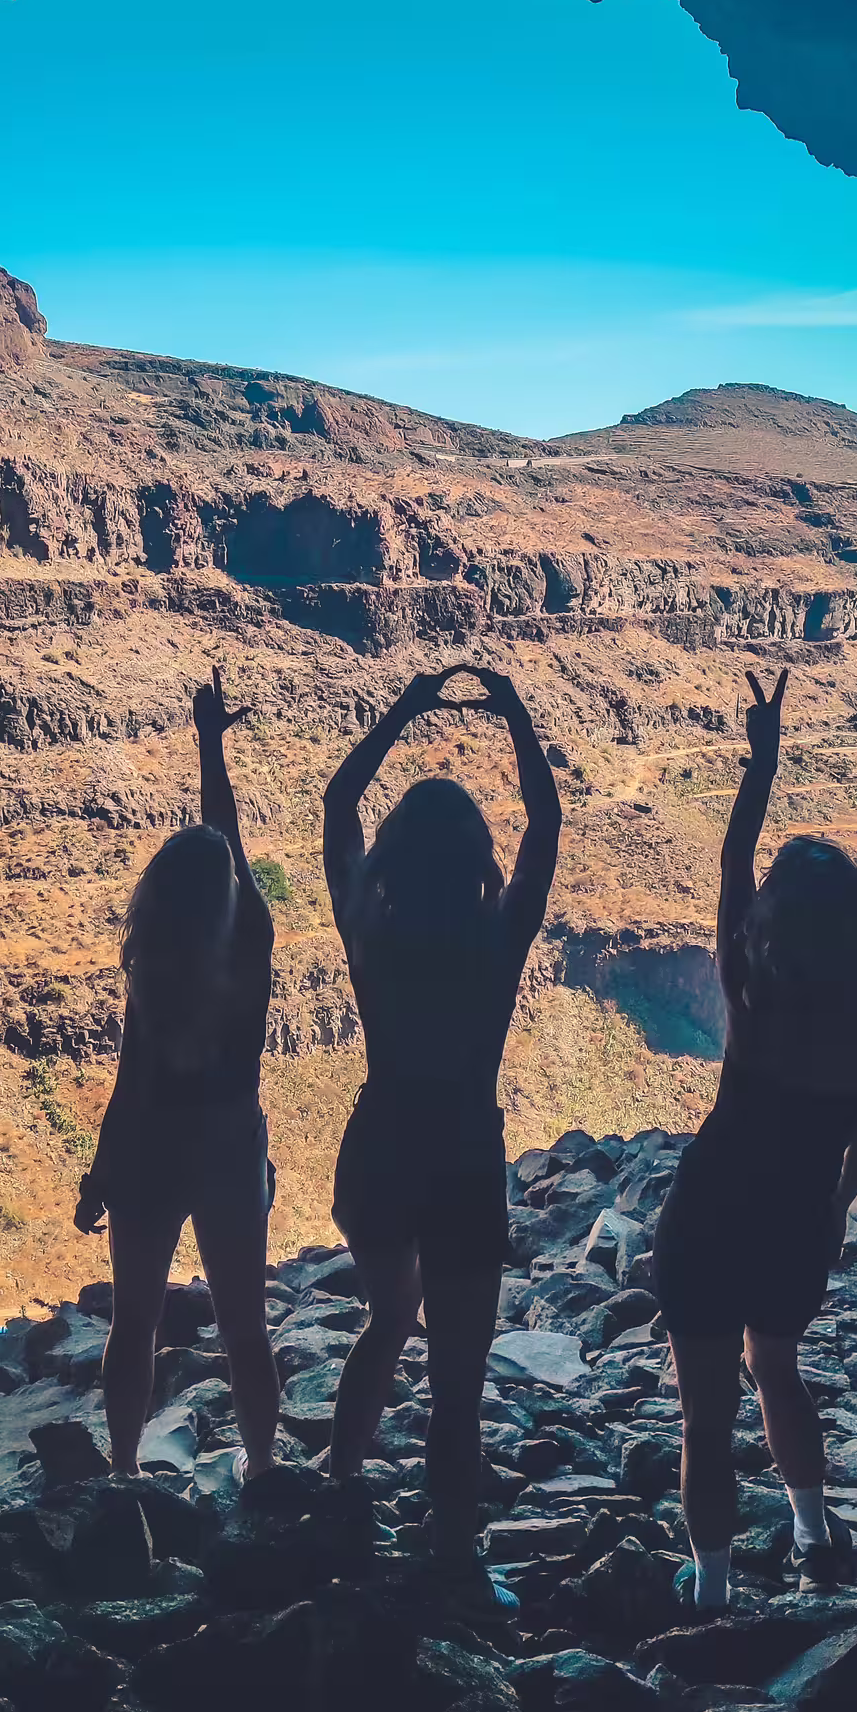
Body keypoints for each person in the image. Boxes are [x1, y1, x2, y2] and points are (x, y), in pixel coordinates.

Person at [653, 670, 857, 1607]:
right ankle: (810, 1530)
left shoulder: (754, 998)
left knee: (704, 1419)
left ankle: (711, 1590)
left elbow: (731, 869)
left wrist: (760, 762)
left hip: (710, 1212)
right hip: (796, 1223)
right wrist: (832, 1214)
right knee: (780, 1374)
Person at [322, 662, 562, 1612]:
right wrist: (514, 712)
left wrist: (404, 709)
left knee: (387, 1323)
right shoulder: (494, 942)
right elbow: (545, 825)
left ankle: (341, 1494)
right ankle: (451, 1551)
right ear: (474, 862)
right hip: (463, 1154)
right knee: (458, 1379)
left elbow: (340, 800)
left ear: (391, 857)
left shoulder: (367, 932)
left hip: (379, 1146)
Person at [74, 668, 281, 1484]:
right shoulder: (250, 946)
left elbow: (129, 1085)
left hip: (155, 1148)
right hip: (231, 1147)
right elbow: (226, 842)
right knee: (245, 1328)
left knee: (134, 1324)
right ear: (228, 896)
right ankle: (260, 1465)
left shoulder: (153, 968)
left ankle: (124, 1473)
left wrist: (100, 1174)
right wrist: (211, 747)